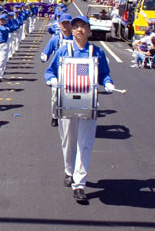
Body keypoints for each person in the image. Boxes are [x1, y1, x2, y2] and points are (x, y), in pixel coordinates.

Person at [44, 15, 115, 204]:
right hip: (67, 102)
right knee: (68, 140)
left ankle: (79, 184)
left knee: (85, 143)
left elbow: (104, 75)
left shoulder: (96, 52)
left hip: (88, 103)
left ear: (89, 30)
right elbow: (49, 71)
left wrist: (108, 83)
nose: (79, 29)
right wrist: (52, 80)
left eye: (83, 26)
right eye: (76, 26)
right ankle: (69, 171)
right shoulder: (64, 50)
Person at [41, 14, 73, 127]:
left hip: (72, 72)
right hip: (58, 72)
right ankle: (54, 116)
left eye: (68, 23)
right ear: (60, 24)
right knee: (55, 96)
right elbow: (46, 51)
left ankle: (71, 115)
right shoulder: (56, 39)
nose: (66, 25)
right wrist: (44, 56)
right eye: (63, 23)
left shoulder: (76, 39)